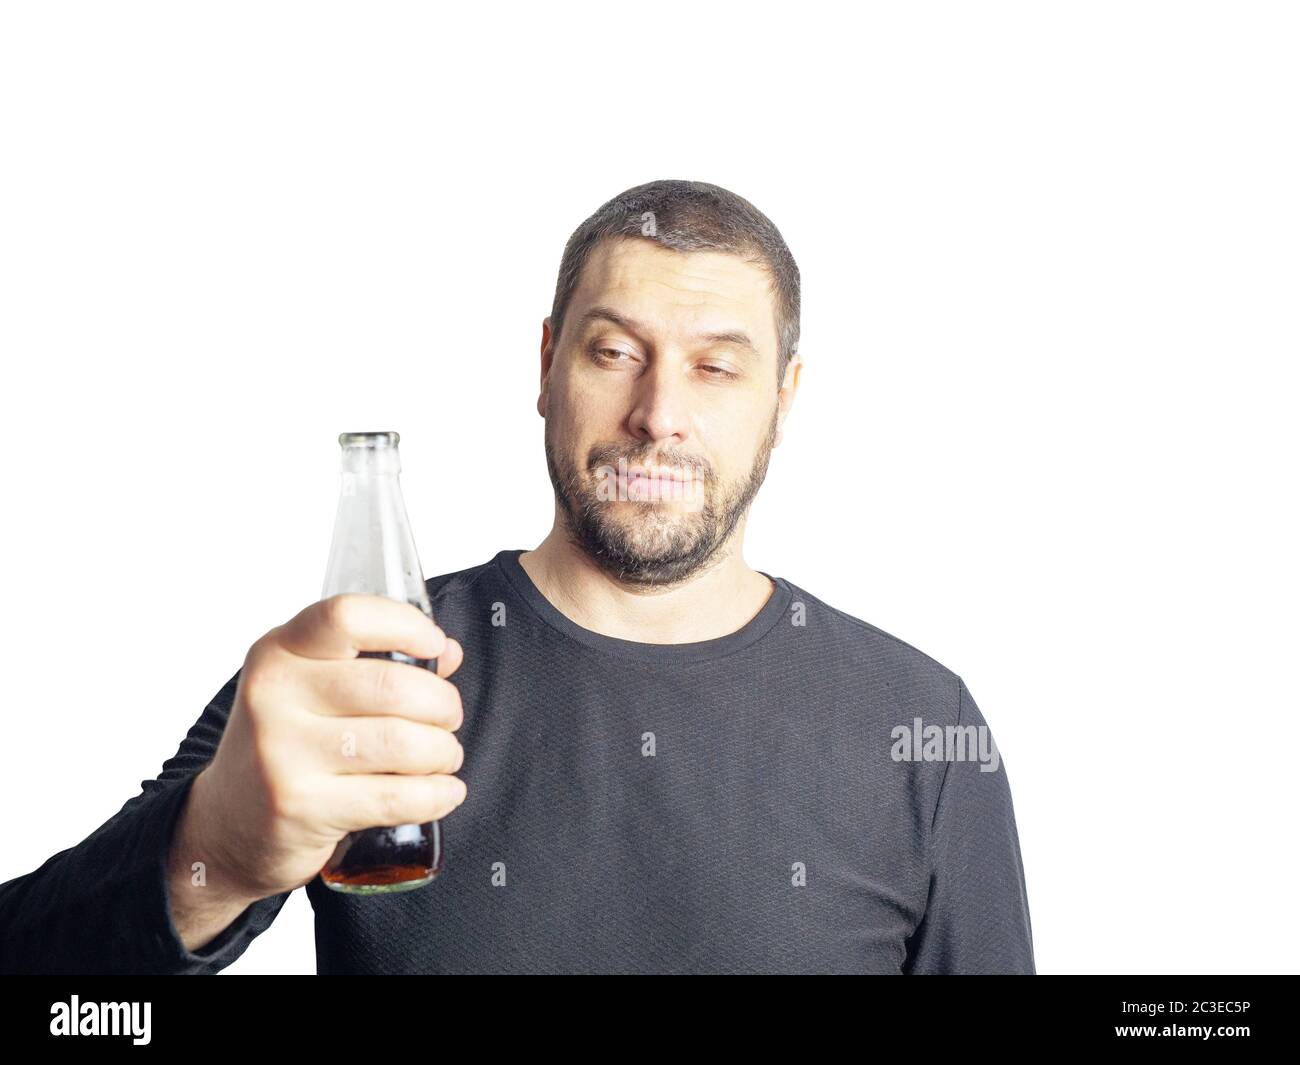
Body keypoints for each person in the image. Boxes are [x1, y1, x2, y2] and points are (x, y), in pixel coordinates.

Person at [0, 179, 1035, 975]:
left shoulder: (919, 721)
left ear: (783, 397)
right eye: (613, 351)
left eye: (716, 366)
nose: (659, 412)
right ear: (545, 366)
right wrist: (215, 855)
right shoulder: (367, 675)